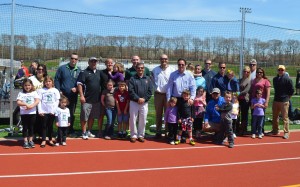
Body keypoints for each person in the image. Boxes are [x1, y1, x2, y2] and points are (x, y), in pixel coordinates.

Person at [166, 58, 196, 143]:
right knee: (174, 119)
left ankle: (183, 136)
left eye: (182, 64)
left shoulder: (189, 74)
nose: (181, 66)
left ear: (185, 65)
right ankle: (172, 136)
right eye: (179, 64)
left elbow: (193, 87)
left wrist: (192, 98)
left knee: (184, 118)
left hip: (185, 99)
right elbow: (169, 88)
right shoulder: (173, 75)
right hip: (175, 99)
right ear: (177, 65)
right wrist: (168, 99)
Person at [54, 53, 81, 135]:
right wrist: (59, 90)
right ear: (70, 59)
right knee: (61, 112)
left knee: (71, 113)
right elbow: (57, 80)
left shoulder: (79, 70)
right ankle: (60, 130)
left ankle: (70, 129)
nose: (74, 60)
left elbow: (80, 82)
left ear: (77, 60)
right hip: (63, 95)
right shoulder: (62, 68)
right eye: (72, 58)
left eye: (76, 59)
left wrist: (76, 88)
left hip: (73, 95)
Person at [77, 57, 101, 140]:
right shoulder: (84, 72)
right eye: (92, 61)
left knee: (92, 116)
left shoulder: (99, 72)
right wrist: (81, 96)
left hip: (96, 99)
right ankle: (84, 132)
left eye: (95, 61)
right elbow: (79, 84)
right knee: (84, 117)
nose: (93, 63)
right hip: (86, 99)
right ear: (89, 62)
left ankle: (89, 131)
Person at [151, 54, 175, 138]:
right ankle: (158, 131)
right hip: (158, 95)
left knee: (168, 113)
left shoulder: (172, 70)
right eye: (162, 59)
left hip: (168, 95)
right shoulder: (155, 70)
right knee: (158, 114)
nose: (164, 60)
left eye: (165, 59)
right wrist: (155, 88)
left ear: (168, 60)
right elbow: (152, 81)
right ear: (159, 60)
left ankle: (167, 131)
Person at [128, 62, 152, 143]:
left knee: (143, 119)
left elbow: (150, 91)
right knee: (133, 119)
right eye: (138, 68)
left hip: (144, 103)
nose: (140, 69)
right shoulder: (132, 78)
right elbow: (130, 91)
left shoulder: (148, 78)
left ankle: (141, 135)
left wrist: (144, 99)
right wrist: (138, 99)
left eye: (142, 68)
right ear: (136, 69)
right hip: (134, 102)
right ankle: (133, 135)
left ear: (144, 69)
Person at [269, 65, 294, 139]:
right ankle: (275, 130)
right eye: (279, 70)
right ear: (277, 70)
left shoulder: (288, 79)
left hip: (284, 101)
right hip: (276, 100)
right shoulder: (275, 79)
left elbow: (292, 90)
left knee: (285, 118)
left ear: (284, 71)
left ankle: (286, 132)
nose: (280, 71)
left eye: (282, 70)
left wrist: (288, 97)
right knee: (275, 116)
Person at [37, 76, 60, 148]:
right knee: (44, 126)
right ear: (44, 83)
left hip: (52, 111)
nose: (48, 83)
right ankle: (43, 139)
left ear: (52, 82)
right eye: (46, 81)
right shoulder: (41, 90)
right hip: (44, 111)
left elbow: (57, 101)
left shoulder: (55, 90)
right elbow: (39, 101)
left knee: (50, 126)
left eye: (49, 81)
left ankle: (50, 139)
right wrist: (40, 110)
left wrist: (54, 110)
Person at [16, 78, 40, 149]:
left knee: (31, 127)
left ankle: (30, 140)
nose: (27, 87)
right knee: (25, 127)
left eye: (29, 85)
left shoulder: (34, 93)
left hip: (32, 113)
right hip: (24, 113)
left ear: (31, 85)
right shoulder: (21, 93)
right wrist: (26, 104)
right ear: (23, 86)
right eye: (26, 85)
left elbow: (37, 101)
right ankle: (25, 141)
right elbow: (18, 102)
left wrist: (31, 106)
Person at [250, 67, 271, 134]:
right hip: (254, 101)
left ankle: (260, 131)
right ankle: (254, 131)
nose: (259, 73)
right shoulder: (253, 80)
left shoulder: (266, 81)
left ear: (263, 73)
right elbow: (251, 91)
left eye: (261, 72)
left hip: (262, 102)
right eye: (258, 72)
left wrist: (266, 102)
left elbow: (268, 93)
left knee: (261, 117)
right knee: (254, 117)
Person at [98, 58, 114, 137]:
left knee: (112, 116)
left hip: (112, 97)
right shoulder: (101, 73)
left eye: (111, 63)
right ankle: (100, 131)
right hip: (103, 96)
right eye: (108, 63)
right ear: (105, 64)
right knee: (101, 114)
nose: (110, 64)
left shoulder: (116, 72)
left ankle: (110, 131)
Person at [238, 66, 251, 135]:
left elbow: (246, 91)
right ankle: (237, 128)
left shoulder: (248, 81)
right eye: (245, 71)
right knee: (237, 114)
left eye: (247, 72)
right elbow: (237, 87)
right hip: (238, 100)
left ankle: (243, 129)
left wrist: (238, 94)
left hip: (245, 100)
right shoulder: (239, 80)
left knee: (244, 115)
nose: (246, 73)